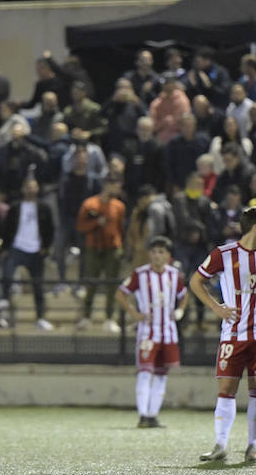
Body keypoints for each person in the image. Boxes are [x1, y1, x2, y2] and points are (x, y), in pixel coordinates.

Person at [188, 205, 256, 463]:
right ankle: (220, 445)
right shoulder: (224, 254)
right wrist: (216, 308)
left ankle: (252, 446)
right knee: (226, 388)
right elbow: (195, 281)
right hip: (232, 334)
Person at [115, 236, 187, 428]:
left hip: (168, 333)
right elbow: (121, 293)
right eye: (153, 251)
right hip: (147, 333)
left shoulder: (174, 275)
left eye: (161, 252)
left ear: (168, 256)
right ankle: (143, 415)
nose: (156, 255)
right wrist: (134, 313)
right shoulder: (140, 274)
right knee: (145, 372)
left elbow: (184, 294)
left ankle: (153, 415)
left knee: (162, 374)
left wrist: (180, 310)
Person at [0, 177, 55, 330]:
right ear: (23, 189)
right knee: (7, 274)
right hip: (17, 247)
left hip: (36, 251)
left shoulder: (44, 207)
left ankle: (40, 317)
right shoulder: (15, 207)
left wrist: (46, 247)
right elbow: (7, 227)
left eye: (33, 187)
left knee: (38, 286)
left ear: (37, 188)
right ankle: (5, 298)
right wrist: (5, 248)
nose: (30, 190)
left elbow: (50, 228)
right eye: (28, 187)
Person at [75, 178, 127, 332]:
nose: (117, 189)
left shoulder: (119, 206)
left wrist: (121, 245)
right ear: (106, 186)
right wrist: (96, 223)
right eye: (115, 186)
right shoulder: (89, 204)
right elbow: (80, 226)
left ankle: (109, 318)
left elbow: (121, 227)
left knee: (112, 284)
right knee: (91, 283)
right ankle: (86, 317)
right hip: (93, 247)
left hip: (113, 248)